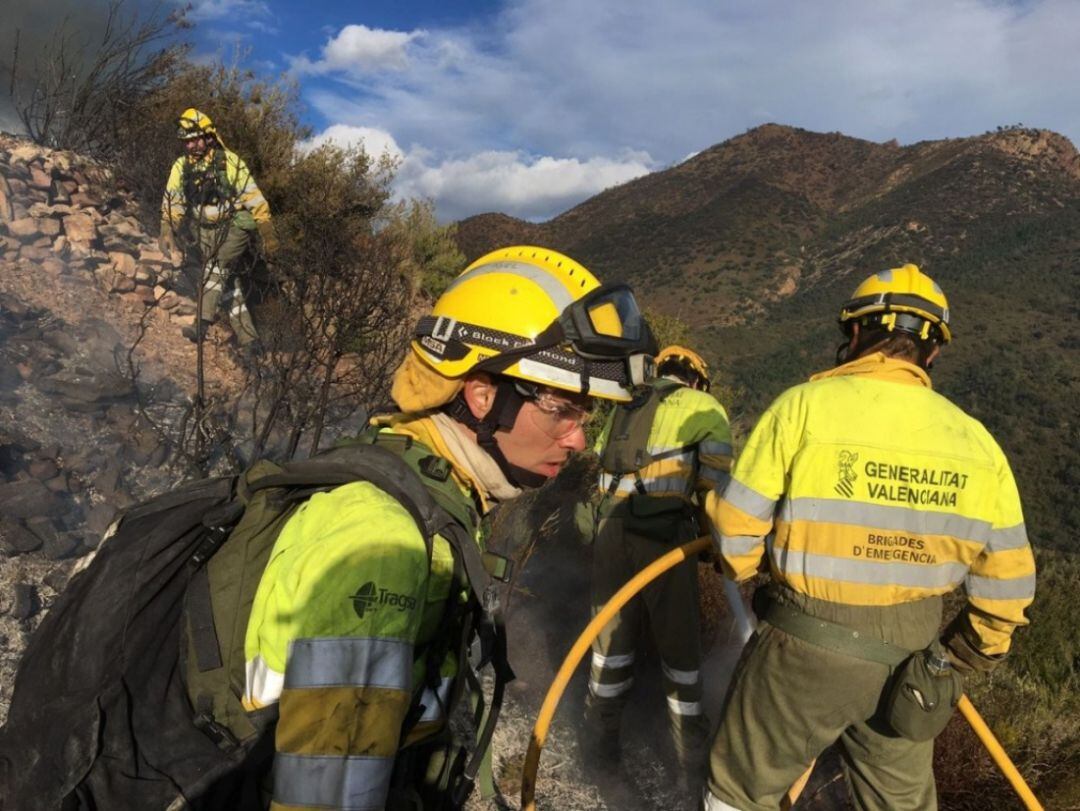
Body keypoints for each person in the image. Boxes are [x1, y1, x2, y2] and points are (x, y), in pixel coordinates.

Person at [241, 246, 655, 809]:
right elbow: (322, 793)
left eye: (587, 417)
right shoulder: (384, 543)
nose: (579, 440)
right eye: (563, 411)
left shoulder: (429, 490)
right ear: (483, 395)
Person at [701, 265, 1036, 811]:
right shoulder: (978, 443)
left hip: (802, 648)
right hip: (913, 661)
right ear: (932, 354)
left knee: (741, 791)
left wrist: (749, 579)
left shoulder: (801, 409)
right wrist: (959, 659)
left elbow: (735, 528)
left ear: (854, 336)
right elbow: (1010, 589)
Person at [585, 345, 733, 782]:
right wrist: (716, 547)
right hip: (664, 540)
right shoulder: (705, 407)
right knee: (680, 654)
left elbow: (599, 459)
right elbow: (715, 488)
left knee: (608, 643)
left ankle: (599, 746)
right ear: (697, 380)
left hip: (610, 530)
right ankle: (689, 760)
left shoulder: (627, 404)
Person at [160, 107, 277, 347]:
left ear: (209, 137)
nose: (190, 146)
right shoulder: (181, 167)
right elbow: (174, 200)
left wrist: (267, 231)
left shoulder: (230, 162)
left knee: (215, 269)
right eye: (186, 142)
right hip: (204, 231)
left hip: (235, 227)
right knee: (227, 284)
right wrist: (167, 227)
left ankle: (201, 324)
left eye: (194, 140)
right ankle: (251, 342)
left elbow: (254, 198)